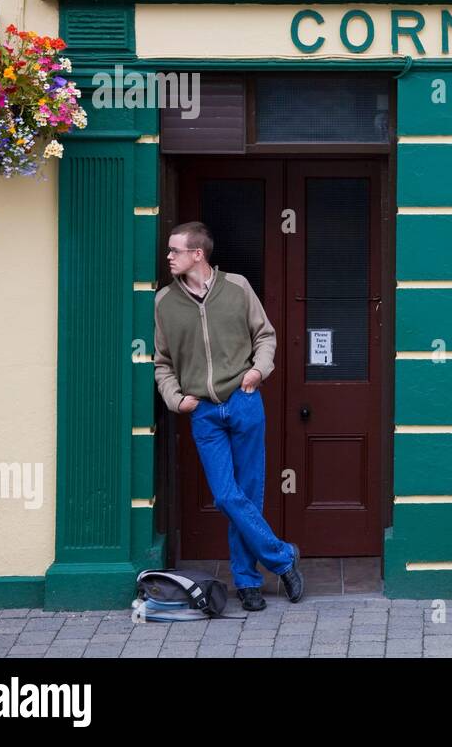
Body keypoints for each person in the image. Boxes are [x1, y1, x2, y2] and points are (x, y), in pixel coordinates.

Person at [153, 220, 304, 611]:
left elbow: (265, 336)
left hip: (243, 400)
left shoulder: (237, 287)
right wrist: (176, 399)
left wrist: (257, 372)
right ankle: (283, 558)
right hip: (202, 411)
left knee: (248, 493)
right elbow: (163, 363)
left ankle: (248, 582)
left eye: (175, 250)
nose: (168, 257)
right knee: (226, 494)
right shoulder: (164, 303)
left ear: (197, 254)